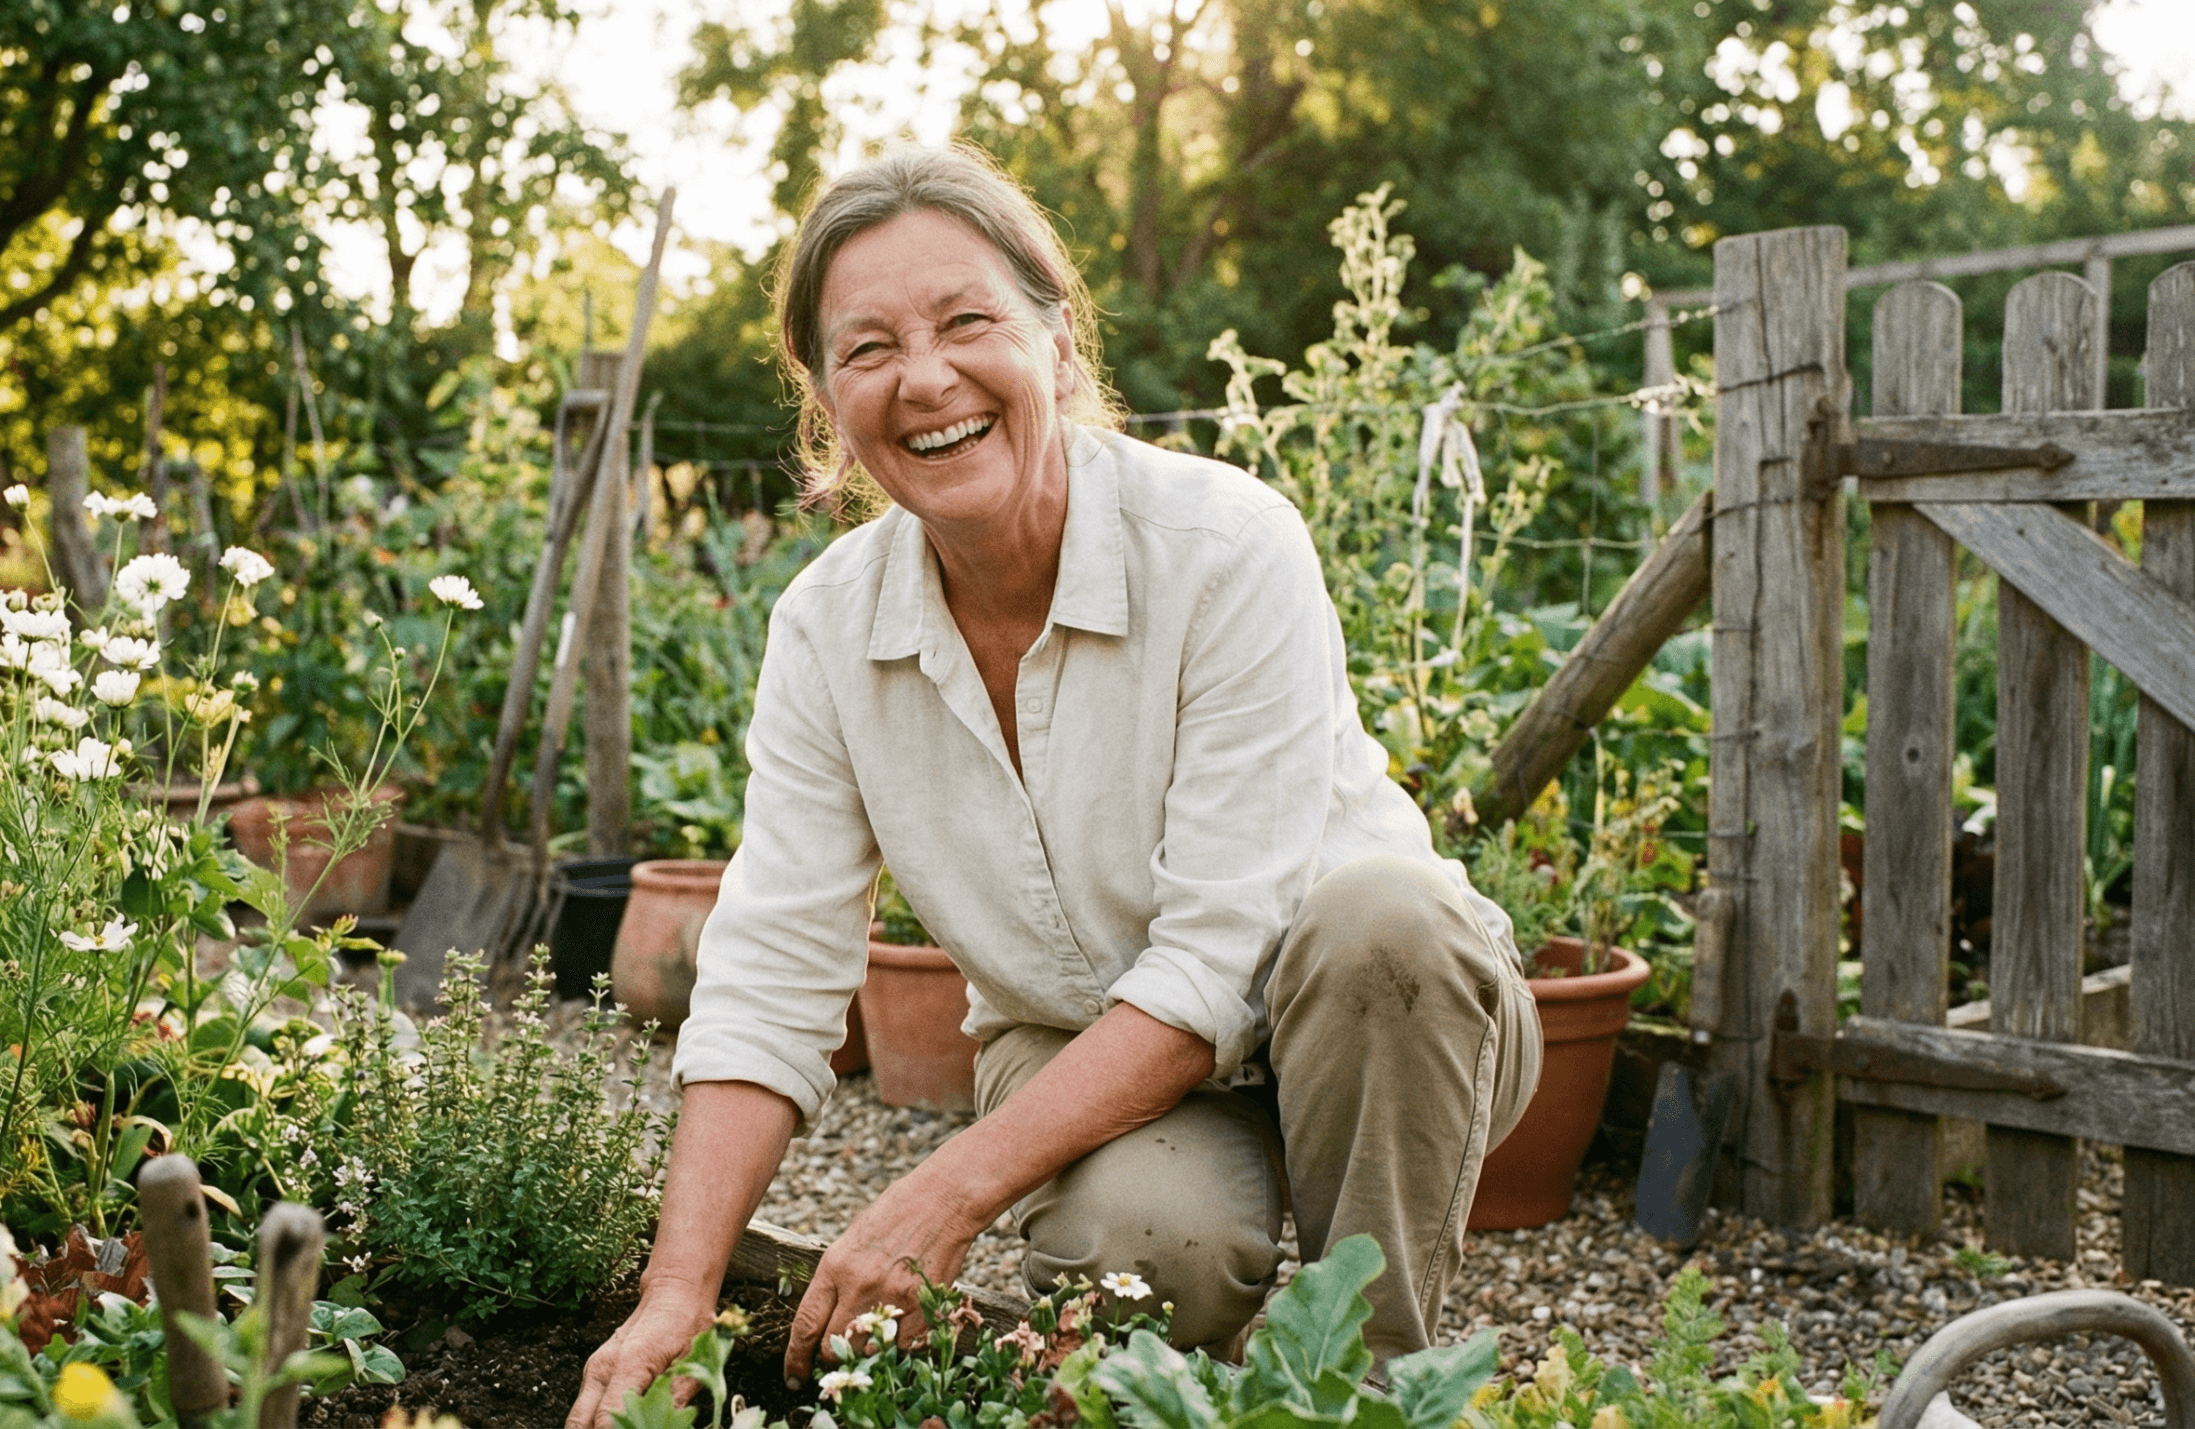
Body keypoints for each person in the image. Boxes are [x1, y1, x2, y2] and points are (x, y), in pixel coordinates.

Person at [566, 145, 1539, 1428]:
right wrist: (675, 1293)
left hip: (1371, 1013)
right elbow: (770, 972)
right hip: (1070, 1029)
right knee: (1142, 1258)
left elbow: (1219, 956)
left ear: (1058, 341)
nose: (925, 380)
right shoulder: (826, 627)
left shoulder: (1224, 545)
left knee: (1385, 918)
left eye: (968, 322)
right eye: (867, 349)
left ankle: (1370, 1392)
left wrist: (938, 1195)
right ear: (826, 401)